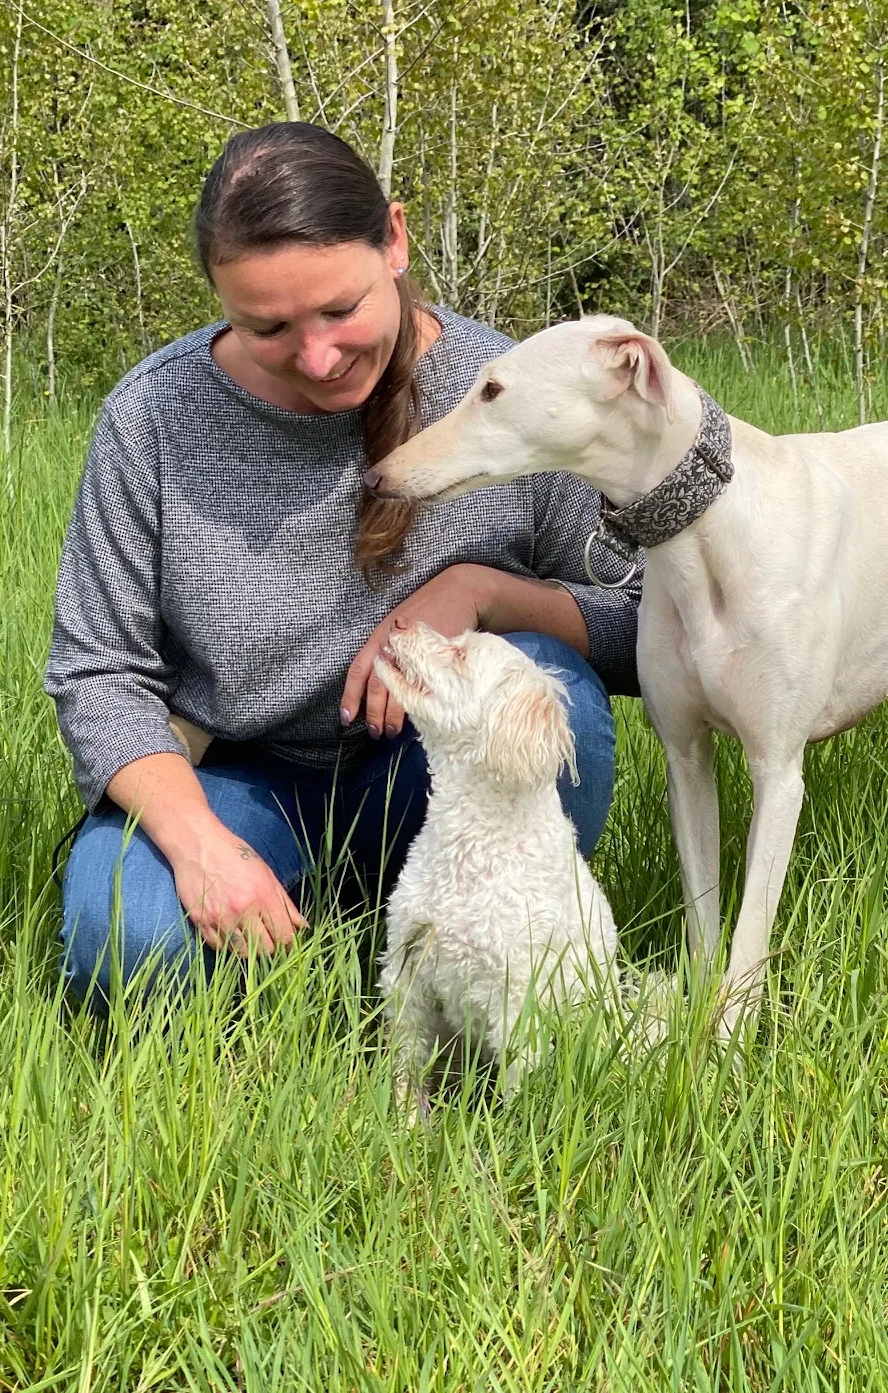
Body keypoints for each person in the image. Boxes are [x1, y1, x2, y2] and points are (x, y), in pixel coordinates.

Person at [45, 122, 641, 1007]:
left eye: (339, 309)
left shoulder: (508, 391)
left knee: (557, 701)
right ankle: (295, 935)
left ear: (394, 240)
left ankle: (480, 973)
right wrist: (199, 845)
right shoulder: (153, 418)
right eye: (267, 327)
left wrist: (478, 592)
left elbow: (635, 621)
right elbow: (97, 672)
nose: (317, 356)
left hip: (426, 776)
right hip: (234, 780)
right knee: (124, 940)